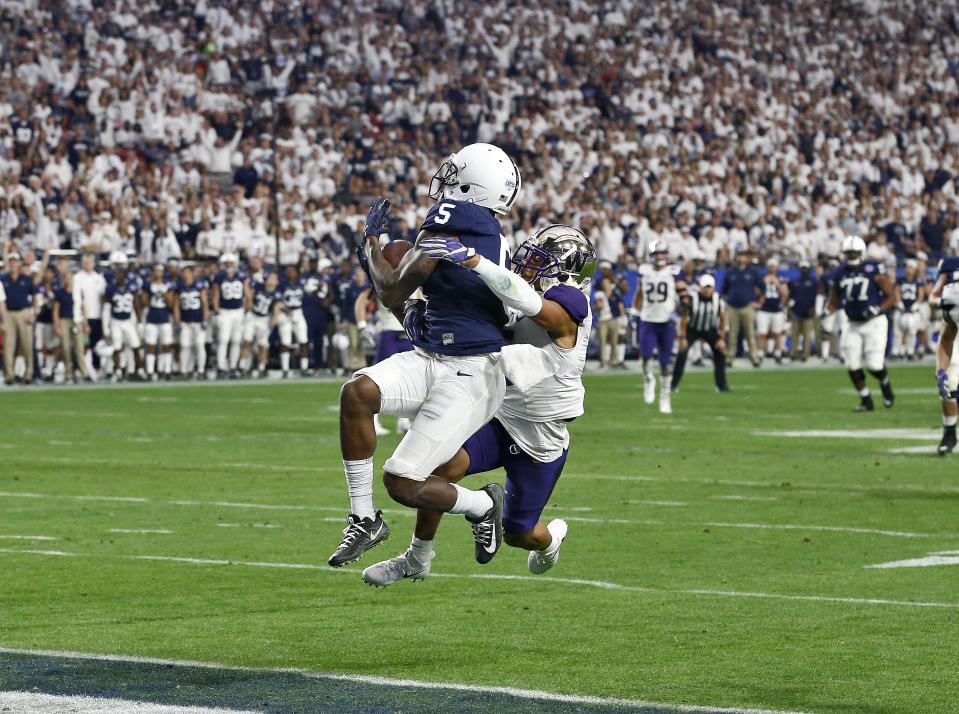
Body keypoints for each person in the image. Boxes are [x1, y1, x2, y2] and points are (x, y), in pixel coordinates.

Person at [361, 224, 596, 587]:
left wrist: (476, 261)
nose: (527, 263)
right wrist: (395, 290)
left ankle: (550, 543)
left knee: (521, 533)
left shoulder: (570, 305)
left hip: (540, 438)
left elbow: (535, 307)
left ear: (566, 270)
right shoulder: (513, 293)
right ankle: (417, 558)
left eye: (540, 260)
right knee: (437, 471)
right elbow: (454, 335)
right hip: (498, 414)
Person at [329, 142, 521, 569]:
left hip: (471, 372)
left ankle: (480, 505)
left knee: (402, 480)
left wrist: (372, 245)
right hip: (435, 353)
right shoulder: (482, 229)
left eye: (454, 176)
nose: (445, 183)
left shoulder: (455, 219)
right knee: (357, 393)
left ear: (473, 186)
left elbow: (390, 289)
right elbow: (410, 300)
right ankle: (363, 518)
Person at [823, 236, 895, 411]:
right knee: (852, 364)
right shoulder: (839, 272)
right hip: (852, 322)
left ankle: (884, 383)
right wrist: (826, 311)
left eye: (854, 253)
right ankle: (866, 400)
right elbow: (834, 299)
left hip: (874, 322)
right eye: (849, 253)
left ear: (862, 253)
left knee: (874, 365)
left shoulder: (873, 269)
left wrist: (878, 309)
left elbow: (891, 296)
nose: (852, 256)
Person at [353, 268, 415, 436]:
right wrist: (362, 327)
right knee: (379, 381)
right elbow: (361, 301)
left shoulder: (416, 276)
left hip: (410, 334)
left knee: (409, 381)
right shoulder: (381, 280)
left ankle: (403, 421)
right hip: (389, 333)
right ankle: (372, 422)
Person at [634, 240, 686, 414]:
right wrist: (635, 309)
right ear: (651, 256)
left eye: (663, 253)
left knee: (665, 363)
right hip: (648, 319)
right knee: (646, 356)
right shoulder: (644, 270)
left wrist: (682, 307)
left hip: (667, 321)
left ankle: (665, 397)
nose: (660, 257)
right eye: (657, 254)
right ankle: (648, 379)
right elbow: (639, 292)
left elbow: (683, 296)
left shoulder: (675, 271)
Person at [671, 274, 729, 393]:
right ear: (700, 288)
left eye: (709, 287)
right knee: (682, 353)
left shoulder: (719, 300)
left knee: (720, 352)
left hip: (709, 329)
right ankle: (673, 385)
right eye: (705, 287)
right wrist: (683, 337)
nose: (707, 290)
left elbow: (723, 319)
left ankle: (721, 385)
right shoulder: (692, 298)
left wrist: (721, 338)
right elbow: (684, 318)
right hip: (692, 328)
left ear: (713, 288)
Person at [103, 251, 145, 380]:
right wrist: (106, 325)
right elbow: (106, 307)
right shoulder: (110, 289)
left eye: (120, 274)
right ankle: (118, 371)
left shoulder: (131, 287)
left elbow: (137, 305)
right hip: (116, 320)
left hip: (128, 321)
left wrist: (139, 322)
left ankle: (140, 370)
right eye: (117, 274)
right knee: (116, 347)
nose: (118, 276)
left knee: (135, 345)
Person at [721, 247, 763, 367]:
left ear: (747, 258)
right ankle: (729, 358)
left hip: (747, 307)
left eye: (743, 256)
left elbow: (762, 287)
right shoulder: (731, 272)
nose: (741, 258)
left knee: (750, 333)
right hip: (733, 307)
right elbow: (724, 290)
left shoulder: (752, 272)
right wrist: (726, 303)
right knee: (732, 334)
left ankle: (754, 357)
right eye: (739, 256)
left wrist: (759, 302)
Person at [934, 256, 959, 455]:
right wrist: (941, 370)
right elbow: (947, 337)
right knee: (949, 385)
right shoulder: (952, 294)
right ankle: (949, 433)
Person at [0, 251, 37, 384]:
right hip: (9, 314)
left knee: (27, 344)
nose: (14, 264)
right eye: (11, 261)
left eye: (16, 261)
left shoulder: (26, 279)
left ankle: (28, 374)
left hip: (24, 313)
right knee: (8, 346)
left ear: (19, 263)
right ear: (9, 263)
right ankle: (9, 375)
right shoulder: (3, 279)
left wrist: (34, 313)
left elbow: (35, 297)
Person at [52, 270, 91, 383]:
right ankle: (68, 373)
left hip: (76, 320)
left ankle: (84, 372)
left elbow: (83, 308)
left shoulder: (78, 292)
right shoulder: (60, 292)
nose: (69, 280)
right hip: (64, 320)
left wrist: (85, 322)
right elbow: (56, 310)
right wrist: (57, 326)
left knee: (79, 347)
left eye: (70, 277)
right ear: (64, 279)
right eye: (67, 278)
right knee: (66, 348)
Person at [212, 252, 246, 378]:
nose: (229, 265)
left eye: (230, 263)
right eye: (226, 263)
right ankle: (221, 367)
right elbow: (216, 294)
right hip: (225, 311)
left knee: (236, 340)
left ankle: (233, 366)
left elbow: (247, 292)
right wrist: (216, 310)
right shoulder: (219, 277)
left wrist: (246, 308)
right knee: (223, 340)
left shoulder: (241, 276)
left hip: (238, 311)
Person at [73, 252, 107, 376]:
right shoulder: (78, 278)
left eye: (90, 262)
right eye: (85, 262)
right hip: (82, 317)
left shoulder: (99, 278)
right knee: (80, 345)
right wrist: (83, 319)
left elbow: (103, 299)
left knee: (96, 345)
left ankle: (97, 369)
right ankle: (78, 370)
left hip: (96, 316)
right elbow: (78, 300)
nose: (87, 265)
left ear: (93, 263)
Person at [241, 271, 281, 377]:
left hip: (264, 319)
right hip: (253, 316)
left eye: (274, 278)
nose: (271, 280)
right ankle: (242, 366)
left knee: (262, 345)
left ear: (277, 282)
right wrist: (245, 287)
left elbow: (276, 309)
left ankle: (261, 368)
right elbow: (250, 297)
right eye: (270, 278)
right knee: (246, 340)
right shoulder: (259, 286)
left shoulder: (277, 294)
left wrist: (274, 320)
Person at [174, 263, 209, 378]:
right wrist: (178, 321)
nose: (186, 275)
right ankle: (184, 370)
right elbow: (176, 305)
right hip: (185, 322)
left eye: (188, 272)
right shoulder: (179, 286)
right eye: (184, 272)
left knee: (199, 345)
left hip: (198, 321)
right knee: (185, 345)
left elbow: (204, 303)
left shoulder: (199, 285)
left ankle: (200, 370)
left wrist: (205, 319)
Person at [141, 263, 176, 380]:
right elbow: (144, 302)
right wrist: (151, 294)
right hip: (152, 317)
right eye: (156, 271)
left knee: (166, 345)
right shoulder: (147, 284)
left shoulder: (167, 284)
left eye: (159, 271)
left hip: (164, 317)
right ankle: (150, 371)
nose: (157, 273)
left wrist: (165, 293)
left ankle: (166, 370)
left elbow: (171, 304)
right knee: (151, 345)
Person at [276, 264, 311, 378]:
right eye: (288, 271)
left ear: (296, 272)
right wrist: (284, 307)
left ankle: (304, 368)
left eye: (292, 271)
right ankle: (285, 369)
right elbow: (276, 299)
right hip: (285, 314)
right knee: (285, 342)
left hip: (298, 312)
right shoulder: (282, 284)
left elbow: (307, 296)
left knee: (303, 340)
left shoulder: (301, 282)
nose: (290, 273)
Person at [892, 259, 926, 360]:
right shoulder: (901, 279)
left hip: (913, 308)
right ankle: (896, 351)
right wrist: (899, 302)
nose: (908, 269)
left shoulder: (918, 280)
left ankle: (910, 351)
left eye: (910, 267)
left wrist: (916, 304)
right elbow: (897, 291)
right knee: (897, 331)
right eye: (907, 267)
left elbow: (921, 294)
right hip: (901, 308)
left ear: (915, 269)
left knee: (912, 331)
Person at [756, 257, 788, 364]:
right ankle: (760, 354)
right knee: (762, 332)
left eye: (774, 266)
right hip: (764, 309)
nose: (772, 268)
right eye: (770, 266)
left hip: (777, 309)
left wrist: (777, 283)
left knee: (777, 333)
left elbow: (785, 294)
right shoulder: (761, 278)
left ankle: (778, 353)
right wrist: (764, 283)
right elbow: (756, 292)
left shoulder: (781, 278)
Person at [787, 260, 819, 362]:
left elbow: (816, 297)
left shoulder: (814, 282)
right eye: (802, 268)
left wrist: (814, 308)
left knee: (807, 335)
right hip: (796, 311)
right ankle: (793, 353)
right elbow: (791, 297)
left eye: (806, 268)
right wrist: (789, 309)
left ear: (809, 269)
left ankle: (805, 354)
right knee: (794, 334)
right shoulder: (794, 282)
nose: (804, 270)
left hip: (808, 312)